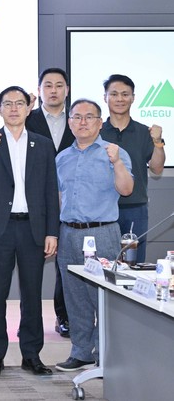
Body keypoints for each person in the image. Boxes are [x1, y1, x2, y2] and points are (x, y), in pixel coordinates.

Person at [0, 86, 59, 377]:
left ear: (29, 108)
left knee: (32, 294)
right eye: (7, 104)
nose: (13, 109)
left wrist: (52, 231)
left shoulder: (42, 144)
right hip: (0, 229)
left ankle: (31, 355)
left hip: (33, 228)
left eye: (19, 103)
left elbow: (50, 190)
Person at [54, 99, 133, 372]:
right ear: (70, 123)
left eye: (89, 117)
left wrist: (117, 163)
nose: (83, 122)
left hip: (103, 233)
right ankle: (81, 352)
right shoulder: (62, 158)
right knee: (74, 297)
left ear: (100, 123)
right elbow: (59, 198)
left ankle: (104, 355)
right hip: (69, 234)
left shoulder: (114, 152)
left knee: (103, 297)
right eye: (77, 117)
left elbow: (127, 189)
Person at [25, 67, 74, 338]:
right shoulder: (27, 118)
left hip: (71, 201)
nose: (53, 90)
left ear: (67, 89)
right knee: (30, 265)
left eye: (59, 85)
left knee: (65, 262)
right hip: (34, 201)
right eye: (48, 85)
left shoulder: (77, 118)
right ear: (39, 90)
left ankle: (64, 315)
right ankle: (29, 324)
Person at [100, 74, 165, 264]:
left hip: (135, 209)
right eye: (114, 94)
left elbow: (157, 168)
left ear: (133, 98)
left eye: (125, 94)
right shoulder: (97, 131)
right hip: (103, 210)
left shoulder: (144, 132)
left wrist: (158, 142)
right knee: (103, 264)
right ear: (105, 98)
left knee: (134, 264)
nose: (120, 99)